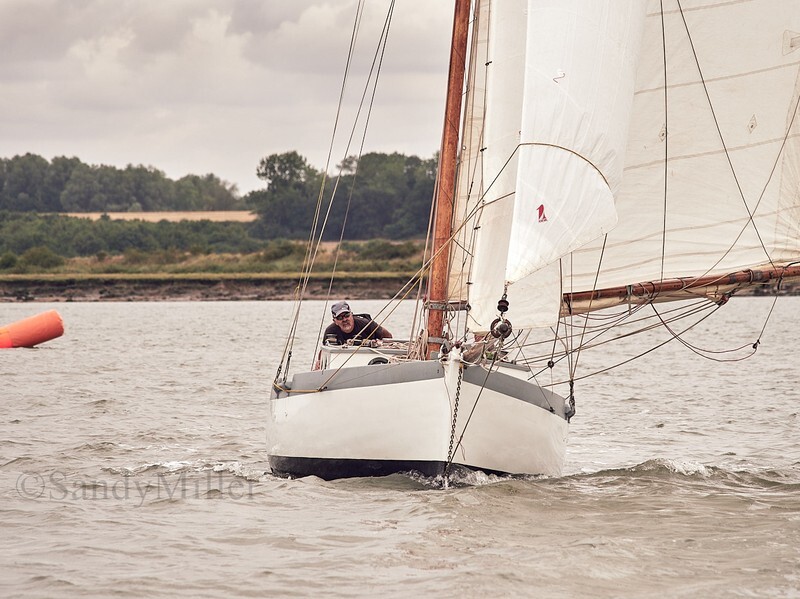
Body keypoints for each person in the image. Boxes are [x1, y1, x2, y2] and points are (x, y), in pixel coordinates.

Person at [323, 301, 392, 345]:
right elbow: (324, 349)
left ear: (352, 315)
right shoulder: (330, 331)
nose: (344, 319)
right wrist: (319, 362)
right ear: (335, 321)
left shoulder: (366, 324)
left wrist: (379, 343)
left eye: (347, 315)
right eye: (340, 318)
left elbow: (388, 336)